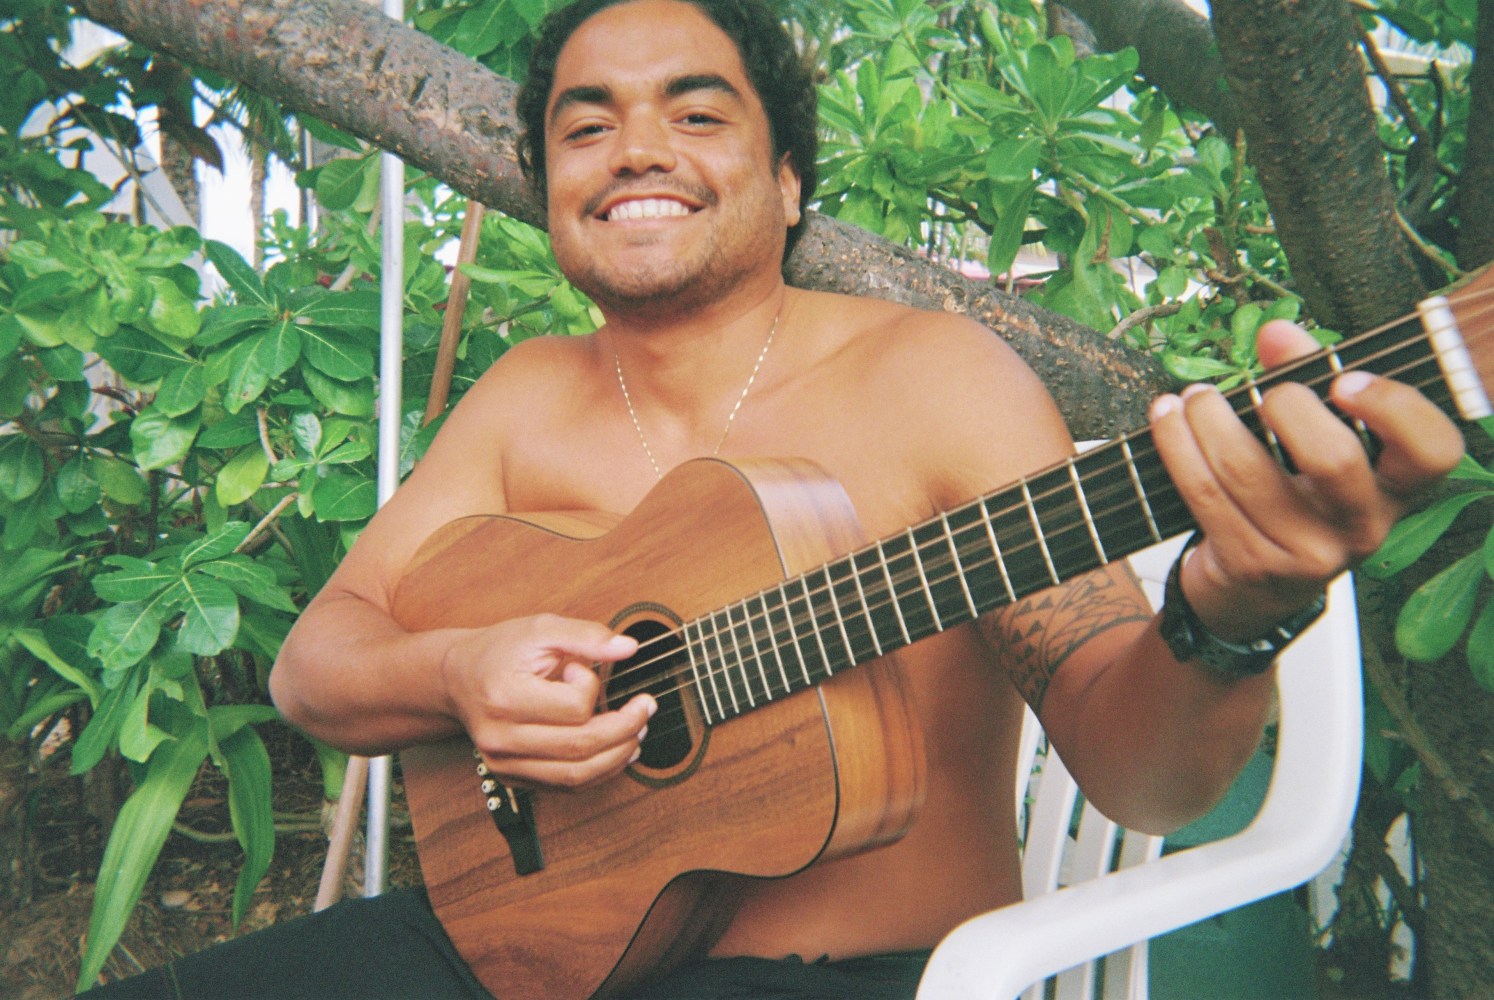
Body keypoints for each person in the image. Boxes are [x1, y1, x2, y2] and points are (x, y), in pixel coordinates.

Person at [84, 0, 1465, 996]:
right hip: (505, 943)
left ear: (788, 178)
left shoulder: (935, 381)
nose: (636, 148)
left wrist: (1234, 610)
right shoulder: (526, 390)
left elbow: (1139, 770)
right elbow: (317, 668)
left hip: (844, 978)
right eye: (586, 124)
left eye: (695, 112)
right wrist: (460, 672)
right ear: (552, 189)